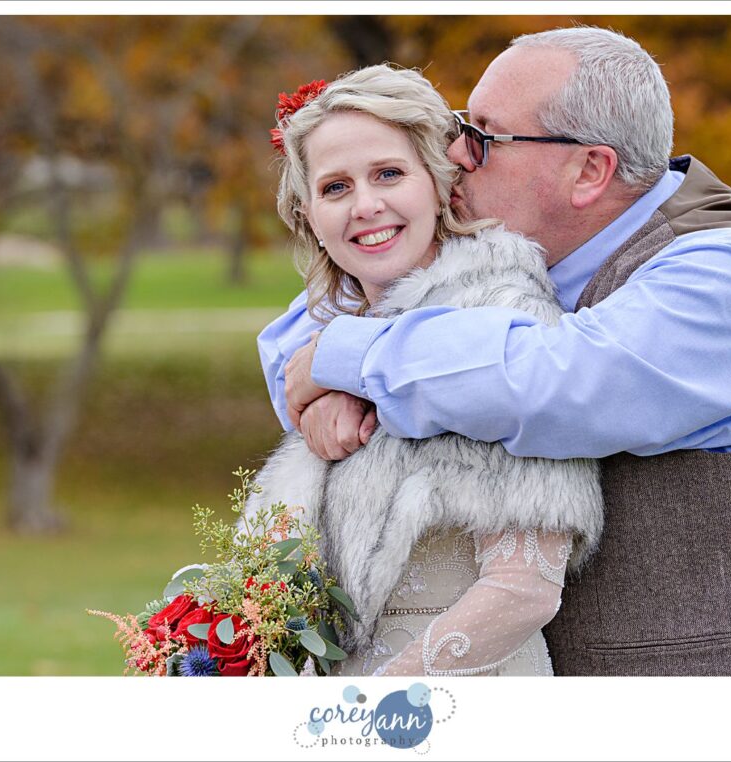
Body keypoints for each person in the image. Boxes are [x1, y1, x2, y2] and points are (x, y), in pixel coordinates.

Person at [262, 27, 731, 676]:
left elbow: (550, 382)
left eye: (487, 137)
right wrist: (322, 384)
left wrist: (348, 358)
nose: (459, 153)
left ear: (589, 170)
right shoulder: (523, 256)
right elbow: (312, 326)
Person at [246, 64, 604, 676]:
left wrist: (374, 709)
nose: (365, 206)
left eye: (389, 174)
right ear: (308, 215)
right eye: (335, 188)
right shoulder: (321, 341)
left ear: (440, 183)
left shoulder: (503, 316)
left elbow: (524, 588)